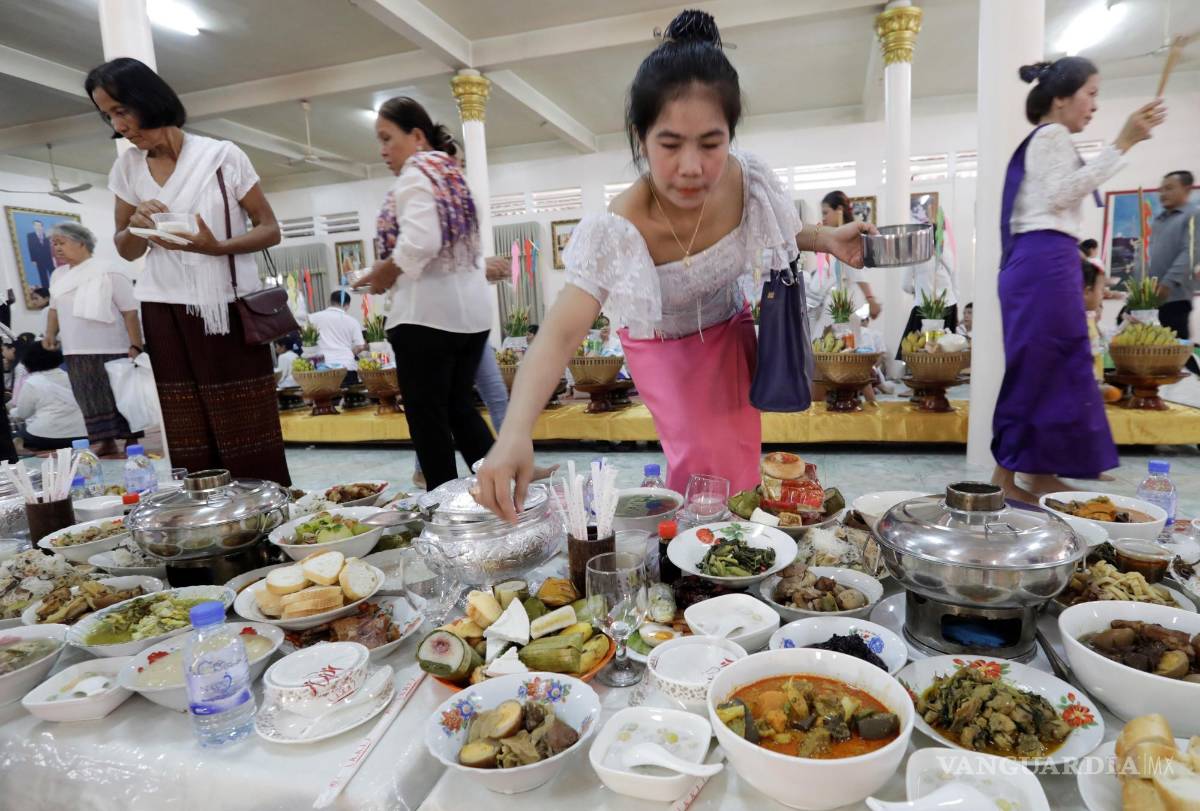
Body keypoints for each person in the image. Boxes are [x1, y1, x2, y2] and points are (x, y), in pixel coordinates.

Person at [474, 10, 871, 516]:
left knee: (737, 458)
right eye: (669, 144)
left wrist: (826, 238)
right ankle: (698, 554)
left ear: (731, 134)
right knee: (697, 465)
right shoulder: (617, 229)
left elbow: (779, 227)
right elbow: (557, 334)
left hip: (729, 331)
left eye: (711, 143)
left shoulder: (748, 179)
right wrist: (513, 434)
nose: (691, 167)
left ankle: (735, 550)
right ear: (641, 137)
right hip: (660, 350)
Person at [87, 57, 291, 484]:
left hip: (228, 308)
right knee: (188, 425)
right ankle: (207, 520)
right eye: (108, 115)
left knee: (244, 420)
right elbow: (124, 249)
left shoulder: (222, 157)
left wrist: (216, 248)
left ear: (148, 99)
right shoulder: (126, 168)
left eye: (121, 110)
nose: (119, 125)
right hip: (164, 310)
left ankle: (265, 510)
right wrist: (138, 225)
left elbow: (270, 229)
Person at [991, 56, 1164, 503]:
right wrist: (1123, 143)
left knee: (1058, 364)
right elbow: (1060, 194)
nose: (1094, 105)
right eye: (1090, 93)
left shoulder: (1056, 140)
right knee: (1039, 367)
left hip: (1049, 258)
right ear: (1061, 98)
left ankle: (1041, 472)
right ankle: (1005, 478)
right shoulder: (1050, 135)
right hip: (1042, 260)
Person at [353, 96, 494, 490]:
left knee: (428, 422)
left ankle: (441, 506)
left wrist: (384, 272)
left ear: (416, 136)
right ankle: (508, 491)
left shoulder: (417, 173)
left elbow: (421, 240)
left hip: (424, 318)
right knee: (460, 411)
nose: (382, 150)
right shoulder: (452, 174)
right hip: (471, 318)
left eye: (387, 138)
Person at [41, 222, 142, 458]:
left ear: (80, 243)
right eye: (53, 244)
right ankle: (104, 441)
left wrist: (136, 345)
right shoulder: (58, 275)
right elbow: (54, 309)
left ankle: (131, 439)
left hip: (113, 346)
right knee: (88, 397)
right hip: (76, 348)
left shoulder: (109, 270)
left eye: (61, 242)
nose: (56, 248)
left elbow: (129, 311)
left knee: (119, 394)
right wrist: (49, 334)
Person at [1150, 170, 1199, 374]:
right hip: (1149, 299)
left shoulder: (1193, 215)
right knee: (1146, 354)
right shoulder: (1159, 220)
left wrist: (1168, 283)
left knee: (1177, 358)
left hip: (1173, 299)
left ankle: (1190, 401)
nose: (1163, 193)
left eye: (1169, 188)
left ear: (1186, 189)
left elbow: (1190, 253)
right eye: (1161, 189)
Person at [11, 343, 86, 452]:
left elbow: (23, 413)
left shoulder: (32, 382)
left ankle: (19, 444)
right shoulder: (72, 377)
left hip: (45, 437)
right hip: (81, 435)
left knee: (15, 434)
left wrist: (12, 412)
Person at [898, 251, 958, 359]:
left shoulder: (914, 255)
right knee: (947, 352)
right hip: (948, 305)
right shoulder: (947, 254)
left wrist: (916, 291)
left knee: (917, 352)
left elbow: (905, 284)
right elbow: (954, 282)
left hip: (923, 307)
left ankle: (921, 372)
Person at [307, 290, 366, 372]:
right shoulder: (353, 321)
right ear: (347, 305)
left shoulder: (312, 318)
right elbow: (360, 346)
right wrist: (349, 353)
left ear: (330, 302)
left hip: (322, 367)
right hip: (347, 365)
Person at [26, 220, 55, 288]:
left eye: (39, 225)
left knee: (53, 273)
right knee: (42, 274)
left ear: (42, 226)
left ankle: (56, 287)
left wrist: (53, 257)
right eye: (36, 225)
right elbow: (30, 248)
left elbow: (51, 247)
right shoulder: (30, 236)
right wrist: (33, 259)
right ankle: (46, 290)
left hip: (48, 257)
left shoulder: (47, 234)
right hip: (38, 259)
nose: (38, 227)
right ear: (34, 226)